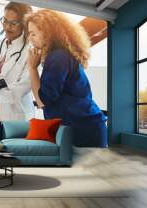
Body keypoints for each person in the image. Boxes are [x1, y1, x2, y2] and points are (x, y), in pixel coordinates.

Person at [25, 9, 107, 147]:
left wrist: (32, 68)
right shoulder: (61, 56)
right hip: (87, 128)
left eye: (33, 33)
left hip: (83, 132)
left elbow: (42, 101)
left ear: (47, 34)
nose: (29, 38)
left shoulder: (57, 57)